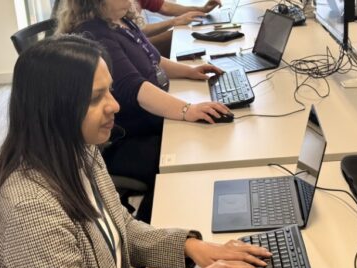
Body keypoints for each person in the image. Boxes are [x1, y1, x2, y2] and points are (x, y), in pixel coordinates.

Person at [0, 35, 271, 268]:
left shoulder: (78, 149)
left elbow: (120, 228)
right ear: (55, 108)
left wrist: (190, 247)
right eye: (96, 98)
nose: (114, 105)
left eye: (110, 90)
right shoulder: (29, 208)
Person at [56, 0, 230, 224]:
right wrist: (187, 109)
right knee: (186, 157)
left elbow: (154, 60)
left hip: (150, 121)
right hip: (125, 138)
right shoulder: (95, 35)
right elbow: (135, 88)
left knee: (200, 139)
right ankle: (159, 228)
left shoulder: (121, 21)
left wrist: (189, 71)